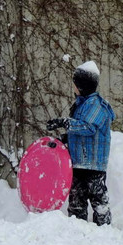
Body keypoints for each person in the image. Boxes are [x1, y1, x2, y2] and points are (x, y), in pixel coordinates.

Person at [46, 61, 116, 226]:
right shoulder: (81, 104)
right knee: (76, 201)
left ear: (83, 85)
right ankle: (77, 230)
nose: (73, 87)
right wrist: (64, 139)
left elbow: (88, 127)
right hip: (78, 162)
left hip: (93, 165)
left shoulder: (96, 105)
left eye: (75, 83)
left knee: (98, 200)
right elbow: (78, 131)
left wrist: (64, 122)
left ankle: (104, 230)